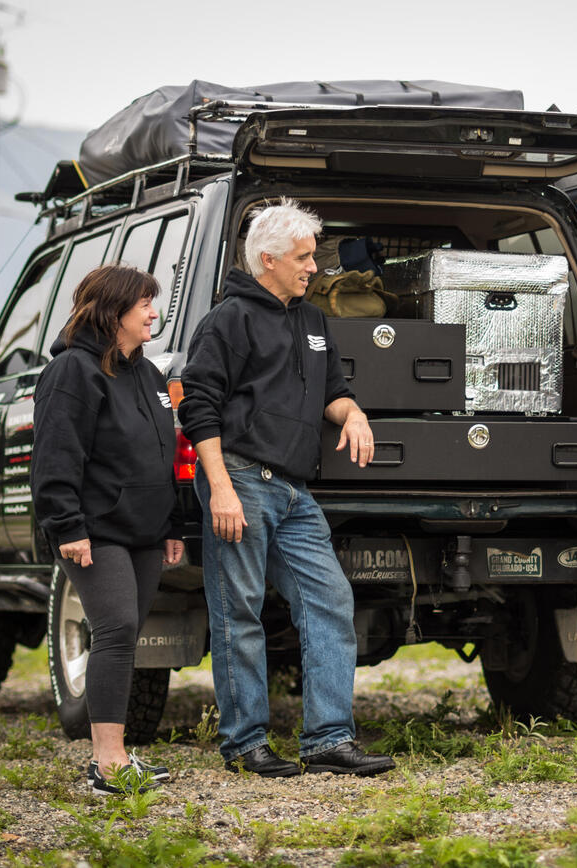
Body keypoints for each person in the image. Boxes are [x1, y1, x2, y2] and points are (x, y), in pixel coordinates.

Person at [178, 198, 395, 778]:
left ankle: (327, 740)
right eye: (302, 258)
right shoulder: (228, 319)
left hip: (296, 491)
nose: (313, 268)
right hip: (240, 480)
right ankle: (245, 744)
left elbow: (334, 390)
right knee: (238, 612)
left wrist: (355, 415)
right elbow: (197, 405)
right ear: (266, 259)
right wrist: (219, 488)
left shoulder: (312, 320)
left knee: (330, 602)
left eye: (314, 257)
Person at [31, 264, 185, 795]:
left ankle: (117, 755)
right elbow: (55, 456)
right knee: (116, 629)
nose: (154, 312)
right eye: (144, 303)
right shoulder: (72, 371)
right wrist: (66, 525)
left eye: (153, 302)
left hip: (144, 529)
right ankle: (106, 763)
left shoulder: (146, 372)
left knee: (126, 636)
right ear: (112, 309)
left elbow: (161, 455)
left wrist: (170, 524)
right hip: (93, 531)